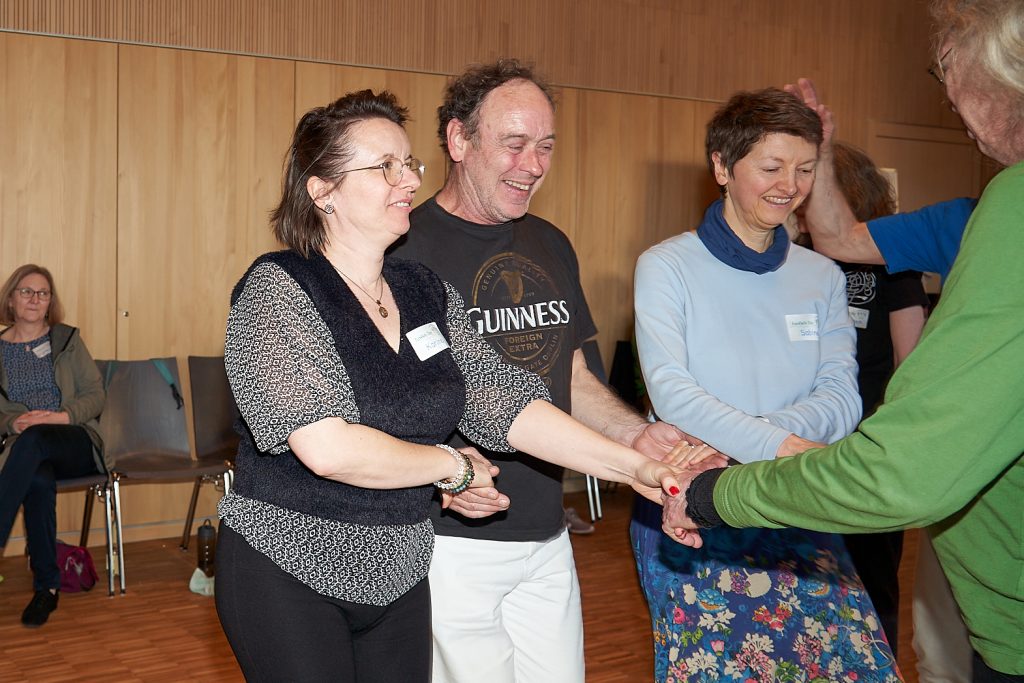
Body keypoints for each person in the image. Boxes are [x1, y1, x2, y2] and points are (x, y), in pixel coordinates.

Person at [215, 89, 682, 683]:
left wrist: (636, 467)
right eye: (384, 167)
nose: (409, 179)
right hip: (286, 566)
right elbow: (328, 447)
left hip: (400, 571)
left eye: (408, 162)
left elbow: (509, 405)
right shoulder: (277, 288)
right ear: (323, 191)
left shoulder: (423, 290)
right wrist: (452, 466)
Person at [663, 0, 1024, 679]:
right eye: (774, 166)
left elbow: (868, 419)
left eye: (947, 68)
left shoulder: (1010, 209)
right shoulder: (973, 215)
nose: (946, 95)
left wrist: (745, 468)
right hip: (830, 487)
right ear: (723, 167)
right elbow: (839, 238)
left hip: (832, 484)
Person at [390, 59, 689, 683]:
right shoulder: (401, 250)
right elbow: (380, 401)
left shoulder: (550, 243)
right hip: (450, 540)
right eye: (514, 143)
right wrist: (441, 472)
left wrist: (635, 435)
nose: (533, 165)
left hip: (548, 536)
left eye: (546, 146)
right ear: (458, 140)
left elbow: (572, 378)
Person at [631, 87, 900, 682]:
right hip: (695, 502)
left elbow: (842, 399)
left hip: (796, 497)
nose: (789, 185)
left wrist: (759, 441)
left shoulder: (823, 275)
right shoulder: (666, 266)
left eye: (804, 169)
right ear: (723, 167)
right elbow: (674, 396)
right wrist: (777, 444)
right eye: (772, 167)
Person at [794, 141, 930, 653]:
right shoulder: (798, 258)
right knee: (804, 585)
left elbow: (910, 366)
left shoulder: (893, 265)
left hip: (866, 449)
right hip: (802, 444)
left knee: (873, 585)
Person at [0, 264, 106, 628]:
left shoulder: (66, 340)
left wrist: (60, 417)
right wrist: (11, 422)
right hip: (26, 449)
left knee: (36, 440)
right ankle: (47, 587)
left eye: (42, 293)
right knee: (37, 478)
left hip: (74, 440)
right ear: (11, 300)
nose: (35, 299)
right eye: (26, 292)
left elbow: (96, 394)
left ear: (50, 302)